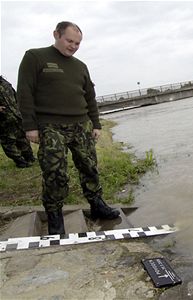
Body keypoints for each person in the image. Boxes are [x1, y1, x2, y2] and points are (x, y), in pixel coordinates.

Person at [17, 21, 120, 235]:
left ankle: (97, 205)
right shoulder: (35, 57)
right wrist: (30, 126)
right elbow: (24, 92)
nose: (73, 46)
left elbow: (90, 97)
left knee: (89, 166)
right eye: (69, 40)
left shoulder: (80, 66)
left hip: (82, 124)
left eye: (77, 43)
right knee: (55, 173)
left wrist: (96, 124)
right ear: (56, 34)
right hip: (50, 126)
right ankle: (55, 218)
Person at [0, 76, 35, 168]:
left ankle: (29, 157)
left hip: (16, 116)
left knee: (22, 137)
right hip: (3, 120)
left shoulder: (3, 81)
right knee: (8, 142)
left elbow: (15, 95)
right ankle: (20, 161)